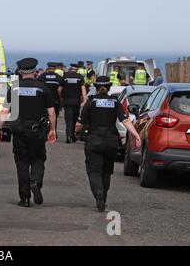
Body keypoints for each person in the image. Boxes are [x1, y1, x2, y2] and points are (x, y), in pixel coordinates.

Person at [0, 58, 57, 208]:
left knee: (22, 163)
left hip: (19, 132)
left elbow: (5, 111)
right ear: (35, 71)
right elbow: (52, 112)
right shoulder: (42, 88)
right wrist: (53, 130)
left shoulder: (14, 88)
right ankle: (36, 182)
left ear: (20, 72)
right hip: (37, 132)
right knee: (38, 159)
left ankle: (24, 198)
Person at [75, 76, 141, 212]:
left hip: (94, 141)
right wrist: (136, 135)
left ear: (96, 87)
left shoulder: (91, 102)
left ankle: (98, 192)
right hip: (111, 142)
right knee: (106, 171)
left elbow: (79, 124)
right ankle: (103, 197)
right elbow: (125, 120)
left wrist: (76, 132)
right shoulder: (115, 102)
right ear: (108, 87)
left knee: (94, 170)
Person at [59, 63, 87, 143]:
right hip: (76, 101)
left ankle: (68, 136)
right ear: (77, 69)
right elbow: (83, 89)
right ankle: (73, 136)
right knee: (75, 119)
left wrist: (61, 98)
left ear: (70, 68)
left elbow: (59, 89)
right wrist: (84, 100)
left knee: (68, 119)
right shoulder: (80, 77)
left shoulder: (65, 76)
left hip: (67, 101)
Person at [38, 62, 63, 132]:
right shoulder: (59, 77)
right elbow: (59, 90)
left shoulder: (42, 76)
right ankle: (53, 131)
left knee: (44, 116)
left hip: (43, 100)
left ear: (48, 68)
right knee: (54, 116)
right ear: (55, 68)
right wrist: (61, 100)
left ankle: (45, 132)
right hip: (55, 100)